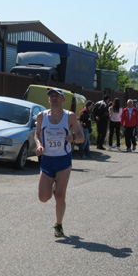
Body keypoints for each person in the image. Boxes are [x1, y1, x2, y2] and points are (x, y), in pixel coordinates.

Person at [35, 88, 84, 238]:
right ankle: (53, 185)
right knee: (43, 197)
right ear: (48, 100)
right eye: (51, 97)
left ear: (63, 99)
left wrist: (73, 139)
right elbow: (36, 134)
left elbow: (81, 137)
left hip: (63, 160)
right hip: (47, 160)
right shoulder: (41, 116)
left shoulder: (69, 117)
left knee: (60, 197)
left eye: (57, 96)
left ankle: (59, 225)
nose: (54, 99)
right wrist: (39, 145)